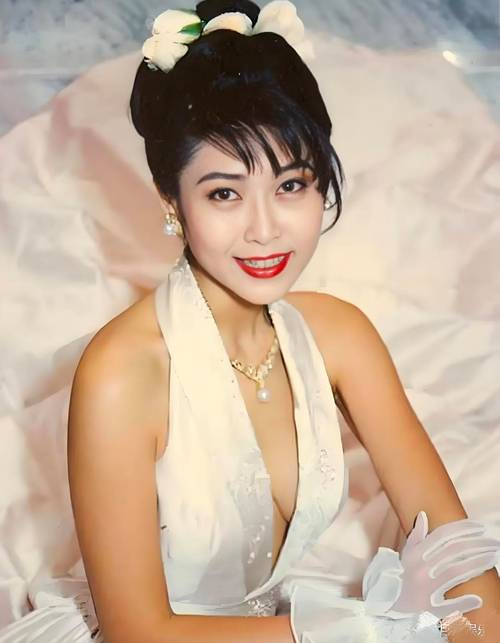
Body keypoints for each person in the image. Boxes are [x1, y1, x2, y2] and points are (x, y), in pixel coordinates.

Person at [1, 1, 499, 642]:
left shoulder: (341, 337)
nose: (265, 230)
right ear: (172, 202)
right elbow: (138, 632)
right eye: (225, 193)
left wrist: (468, 630)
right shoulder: (121, 375)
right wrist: (357, 630)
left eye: (290, 185)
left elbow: (460, 559)